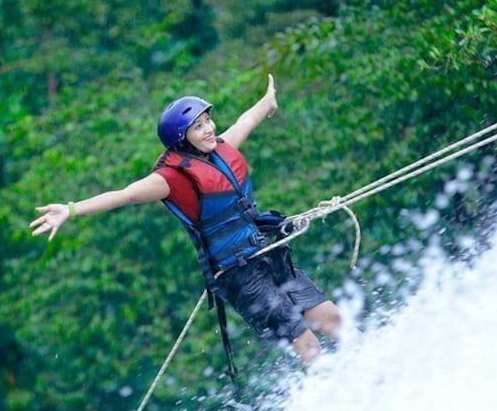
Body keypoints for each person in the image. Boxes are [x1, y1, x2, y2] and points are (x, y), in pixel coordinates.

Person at [30, 74, 341, 364]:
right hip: (239, 276)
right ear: (182, 139)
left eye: (208, 121)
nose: (209, 129)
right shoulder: (171, 179)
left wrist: (267, 101)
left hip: (263, 255)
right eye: (198, 127)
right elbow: (125, 194)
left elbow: (245, 121)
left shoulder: (219, 151)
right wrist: (70, 210)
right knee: (307, 343)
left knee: (332, 319)